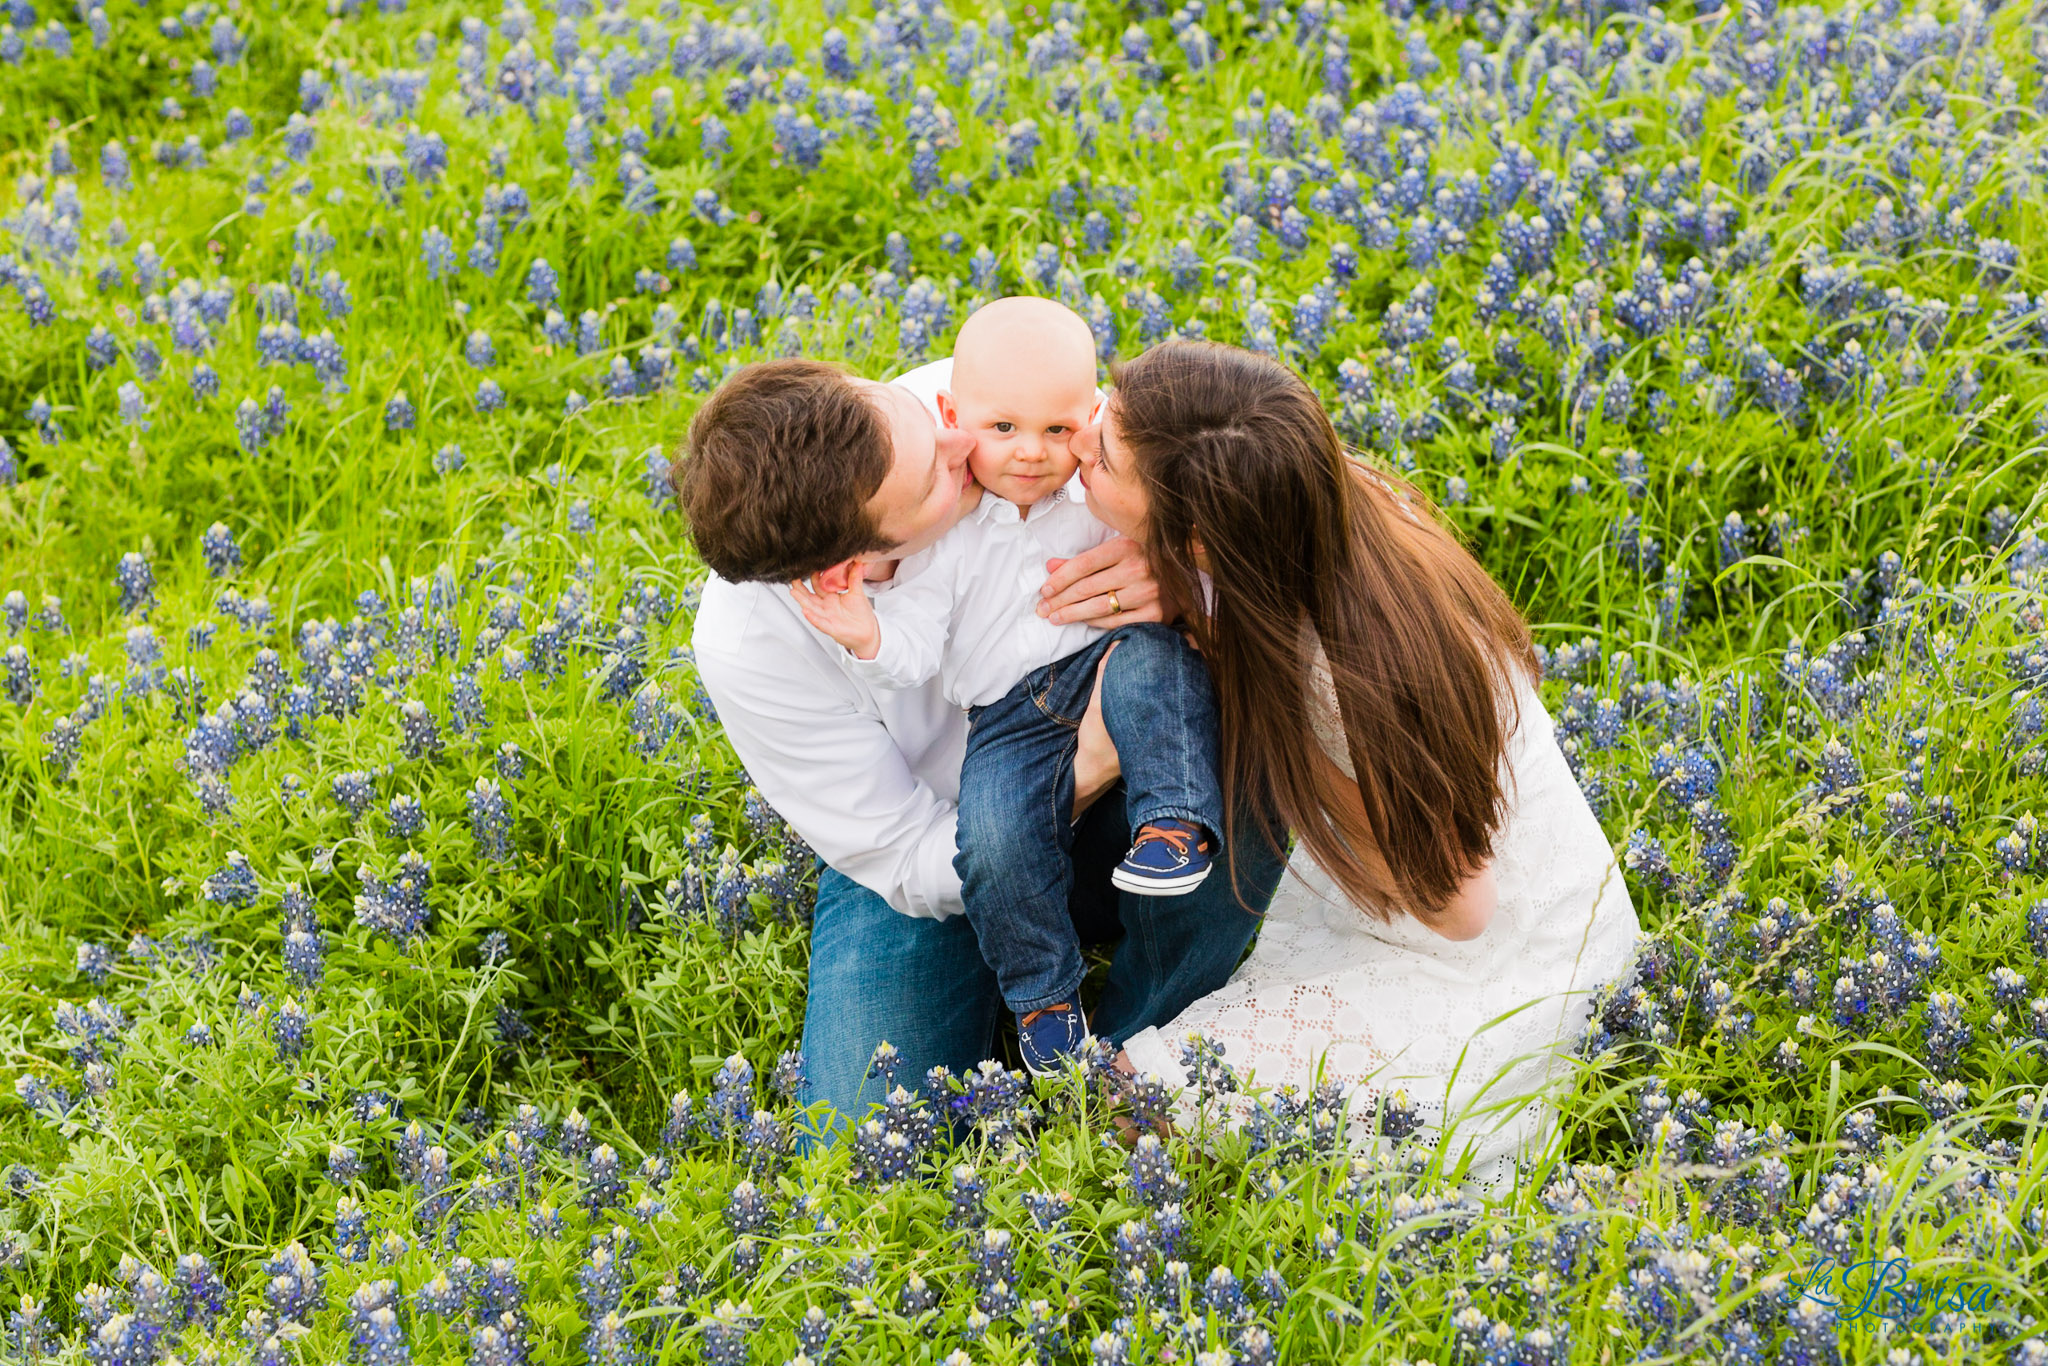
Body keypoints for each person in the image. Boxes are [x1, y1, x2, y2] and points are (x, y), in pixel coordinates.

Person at [673, 347, 1288, 1146]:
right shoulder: (749, 645)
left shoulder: (988, 407)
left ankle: (1133, 1054)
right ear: (844, 572)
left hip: (1124, 793)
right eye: (935, 474)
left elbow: (1200, 503)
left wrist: (1177, 578)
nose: (968, 448)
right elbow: (899, 856)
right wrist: (1078, 773)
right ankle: (1038, 991)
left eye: (934, 422)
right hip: (948, 854)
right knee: (870, 1149)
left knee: (1242, 771)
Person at [1071, 340, 1643, 1197]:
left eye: (1106, 450)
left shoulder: (1347, 674)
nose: (1082, 437)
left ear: (1196, 535)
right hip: (1417, 868)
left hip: (1484, 956)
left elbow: (1461, 909)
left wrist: (1269, 716)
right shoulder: (1312, 497)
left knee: (1135, 1110)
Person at [792, 298, 1231, 1077]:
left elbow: (1211, 540)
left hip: (1109, 666)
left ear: (1090, 420)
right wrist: (872, 636)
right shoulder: (944, 532)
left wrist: (1179, 577)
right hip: (1008, 719)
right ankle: (1044, 998)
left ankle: (1172, 824)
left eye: (1058, 431)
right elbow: (919, 643)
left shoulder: (1102, 493)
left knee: (1161, 673)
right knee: (993, 839)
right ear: (956, 419)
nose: (1031, 452)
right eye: (1004, 431)